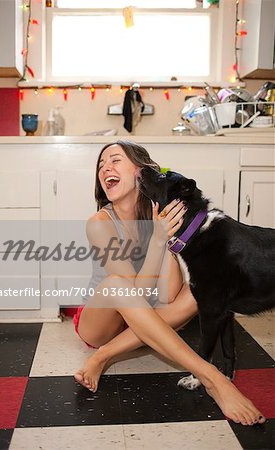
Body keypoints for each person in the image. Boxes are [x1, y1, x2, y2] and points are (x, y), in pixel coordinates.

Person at [74, 140, 265, 426]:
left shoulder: (159, 216)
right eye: (101, 166)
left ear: (142, 171)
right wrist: (158, 239)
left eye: (115, 160)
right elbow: (132, 293)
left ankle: (104, 357)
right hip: (102, 322)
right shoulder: (100, 222)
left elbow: (172, 292)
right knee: (117, 283)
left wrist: (164, 234)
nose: (106, 169)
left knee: (197, 289)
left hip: (146, 320)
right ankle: (211, 377)